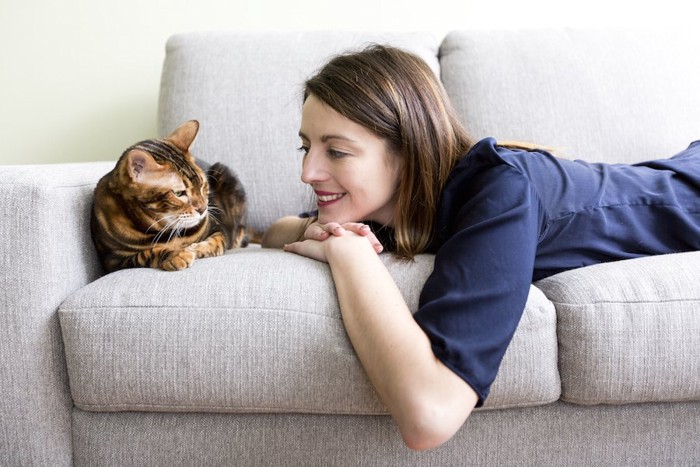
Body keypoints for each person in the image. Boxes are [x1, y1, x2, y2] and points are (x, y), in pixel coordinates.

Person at [262, 44, 700, 451]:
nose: (307, 172)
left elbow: (429, 415)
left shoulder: (498, 190)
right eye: (305, 147)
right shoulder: (393, 204)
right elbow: (278, 230)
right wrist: (322, 232)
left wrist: (350, 257)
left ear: (408, 151)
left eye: (336, 152)